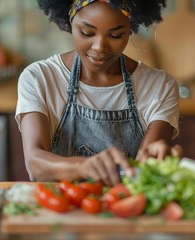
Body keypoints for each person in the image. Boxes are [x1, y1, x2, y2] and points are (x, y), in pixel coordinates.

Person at [15, 0, 181, 186]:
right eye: (87, 33)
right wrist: (83, 167)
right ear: (71, 22)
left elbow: (146, 170)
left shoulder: (159, 86)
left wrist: (158, 158)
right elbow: (35, 165)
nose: (100, 47)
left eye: (116, 35)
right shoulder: (40, 78)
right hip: (61, 208)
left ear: (130, 29)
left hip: (125, 208)